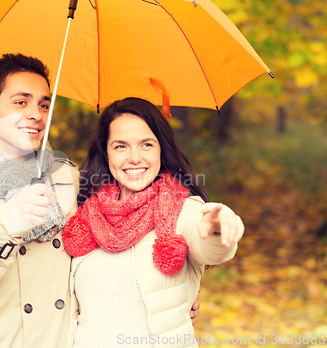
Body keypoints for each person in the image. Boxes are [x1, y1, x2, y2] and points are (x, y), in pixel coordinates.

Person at [0, 54, 199, 348]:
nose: (36, 114)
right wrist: (6, 227)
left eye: (43, 104)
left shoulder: (69, 178)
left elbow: (113, 247)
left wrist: (167, 299)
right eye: (21, 102)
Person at [62, 97, 244, 348]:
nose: (134, 157)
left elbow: (207, 247)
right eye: (120, 146)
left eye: (146, 144)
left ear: (162, 149)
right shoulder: (84, 213)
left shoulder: (183, 208)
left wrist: (216, 227)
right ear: (105, 152)